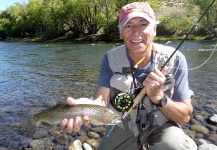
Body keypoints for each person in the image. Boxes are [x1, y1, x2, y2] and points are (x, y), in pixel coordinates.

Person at [61, 2, 198, 150]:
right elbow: (101, 101)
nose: (136, 32)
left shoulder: (176, 59)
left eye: (143, 24)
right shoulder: (110, 59)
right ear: (121, 33)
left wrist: (159, 97)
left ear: (154, 30)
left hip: (162, 124)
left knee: (173, 145)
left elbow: (184, 118)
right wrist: (82, 108)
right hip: (125, 124)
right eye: (128, 25)